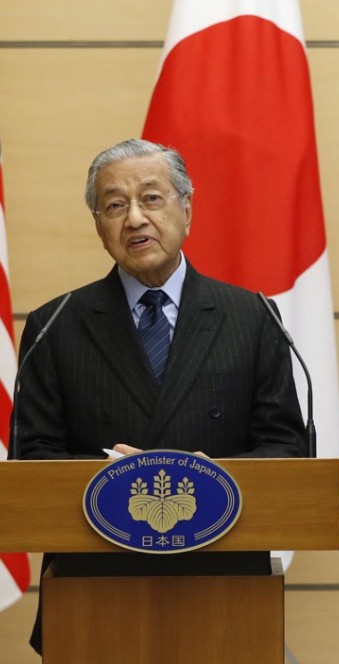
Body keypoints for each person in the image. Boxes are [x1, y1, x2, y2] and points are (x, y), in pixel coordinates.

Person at [14, 138, 307, 653]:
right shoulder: (54, 326)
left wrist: (213, 478)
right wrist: (106, 479)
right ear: (98, 224)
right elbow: (32, 463)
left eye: (151, 198)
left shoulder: (251, 317)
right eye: (114, 205)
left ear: (186, 209)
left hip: (223, 587)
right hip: (95, 592)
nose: (134, 219)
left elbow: (286, 450)